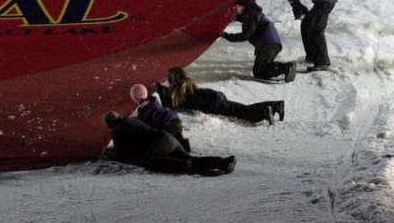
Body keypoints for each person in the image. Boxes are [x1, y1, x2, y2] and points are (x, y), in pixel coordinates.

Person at [101, 111, 235, 176]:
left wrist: (108, 154)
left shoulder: (117, 131)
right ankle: (223, 162)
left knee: (148, 162)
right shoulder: (133, 120)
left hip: (158, 143)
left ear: (109, 125)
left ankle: (187, 167)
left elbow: (122, 153)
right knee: (190, 158)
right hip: (168, 137)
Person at [157, 68, 282, 126]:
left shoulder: (178, 90)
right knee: (242, 108)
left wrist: (158, 88)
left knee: (241, 113)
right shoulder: (186, 83)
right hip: (213, 96)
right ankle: (275, 105)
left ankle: (265, 112)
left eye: (169, 78)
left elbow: (170, 103)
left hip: (212, 103)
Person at [222, 0, 297, 82]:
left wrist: (226, 36)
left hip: (268, 45)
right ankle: (286, 67)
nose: (236, 9)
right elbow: (241, 19)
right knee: (263, 67)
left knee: (259, 71)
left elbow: (245, 35)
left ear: (243, 6)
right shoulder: (252, 13)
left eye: (237, 6)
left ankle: (286, 67)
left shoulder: (251, 15)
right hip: (271, 44)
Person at [130, 83, 191, 151]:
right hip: (175, 120)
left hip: (169, 124)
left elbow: (148, 126)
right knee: (172, 132)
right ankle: (182, 142)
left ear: (136, 99)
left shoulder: (144, 111)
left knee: (158, 138)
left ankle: (178, 148)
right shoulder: (153, 101)